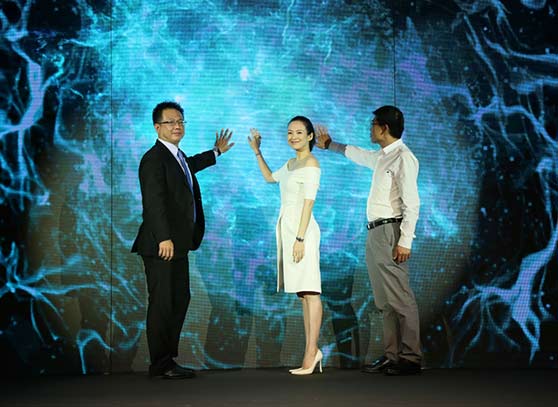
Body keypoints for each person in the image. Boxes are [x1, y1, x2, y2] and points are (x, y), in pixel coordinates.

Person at [315, 105, 422, 376]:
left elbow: (412, 204)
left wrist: (405, 241)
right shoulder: (383, 156)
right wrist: (331, 145)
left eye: (373, 124)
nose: (370, 128)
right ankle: (391, 355)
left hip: (390, 232)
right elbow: (360, 155)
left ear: (384, 128)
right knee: (384, 300)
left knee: (400, 297)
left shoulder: (403, 157)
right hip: (375, 232)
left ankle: (410, 357)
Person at [132, 101, 234, 379]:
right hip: (161, 245)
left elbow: (190, 166)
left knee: (179, 299)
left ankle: (167, 360)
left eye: (180, 121)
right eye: (170, 122)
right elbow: (154, 203)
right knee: (163, 303)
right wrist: (163, 237)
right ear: (157, 127)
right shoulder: (154, 159)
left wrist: (216, 152)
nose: (177, 126)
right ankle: (160, 364)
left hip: (178, 244)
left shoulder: (177, 157)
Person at [247, 116, 323, 375]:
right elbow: (270, 178)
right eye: (290, 132)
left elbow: (308, 203)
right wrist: (257, 151)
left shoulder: (311, 163)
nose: (293, 137)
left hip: (303, 232)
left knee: (311, 291)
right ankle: (311, 352)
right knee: (303, 293)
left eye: (299, 132)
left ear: (310, 136)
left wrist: (300, 239)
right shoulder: (291, 163)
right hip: (289, 231)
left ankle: (311, 353)